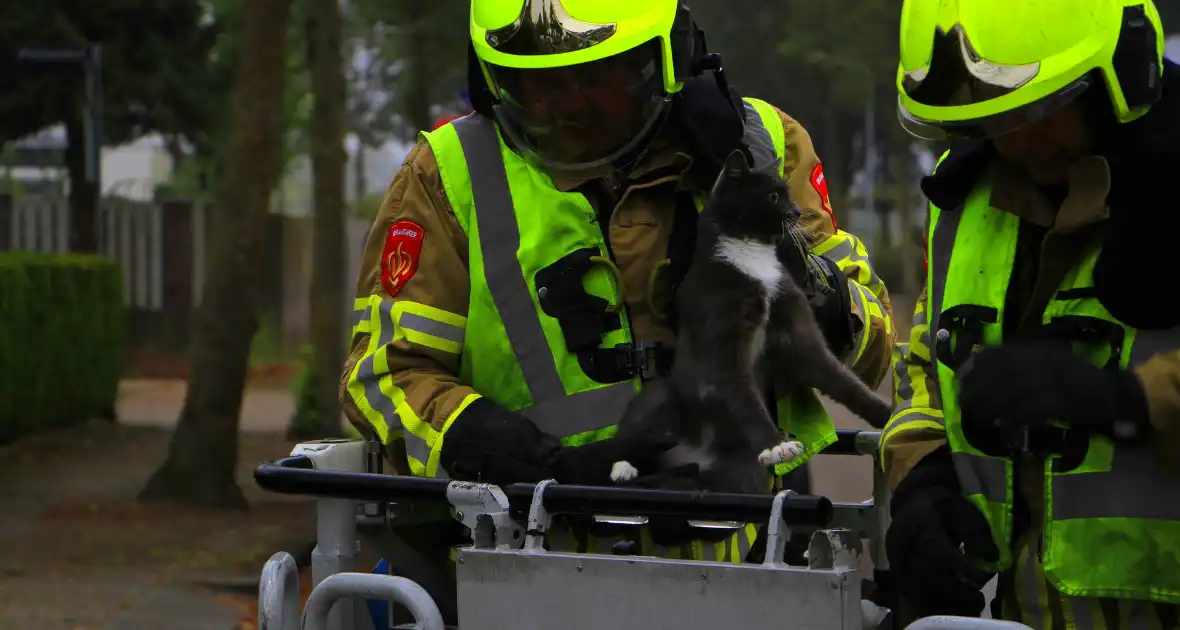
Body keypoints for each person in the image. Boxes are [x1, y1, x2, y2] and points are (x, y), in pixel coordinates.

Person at [340, 0, 893, 613]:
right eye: (539, 85)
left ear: (665, 60)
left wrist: (805, 282)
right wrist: (503, 450)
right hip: (517, 573)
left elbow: (870, 356)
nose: (571, 104)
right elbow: (385, 374)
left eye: (597, 77)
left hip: (747, 566)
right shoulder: (447, 175)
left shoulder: (760, 145)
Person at [882, 0, 1180, 627]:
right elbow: (924, 369)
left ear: (1115, 79)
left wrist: (1125, 400)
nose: (1017, 139)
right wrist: (923, 480)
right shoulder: (964, 198)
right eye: (994, 119)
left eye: (1039, 108)